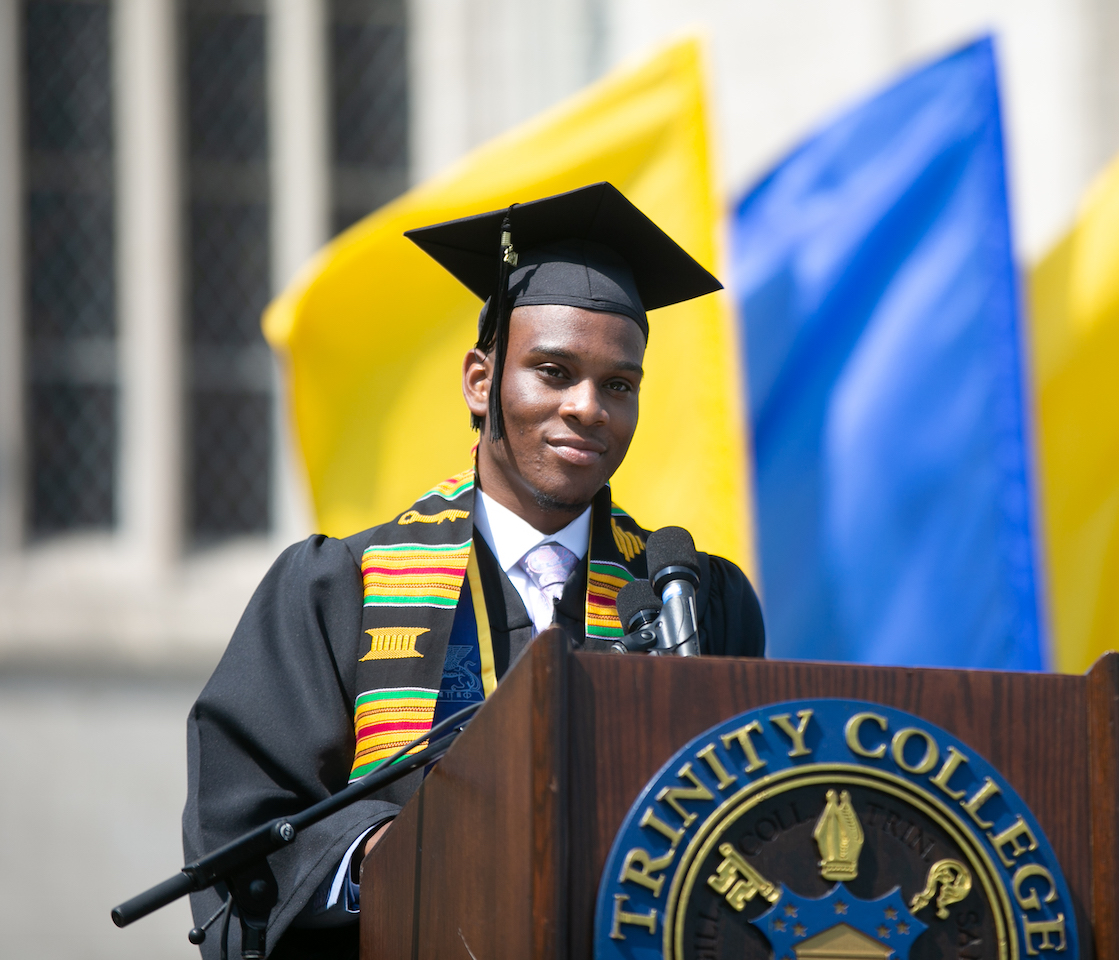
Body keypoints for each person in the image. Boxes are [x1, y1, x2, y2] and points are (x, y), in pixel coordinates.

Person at [182, 183, 766, 959]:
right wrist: (389, 859)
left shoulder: (691, 598)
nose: (589, 407)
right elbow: (245, 826)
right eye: (554, 372)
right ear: (481, 382)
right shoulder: (339, 590)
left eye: (619, 385)